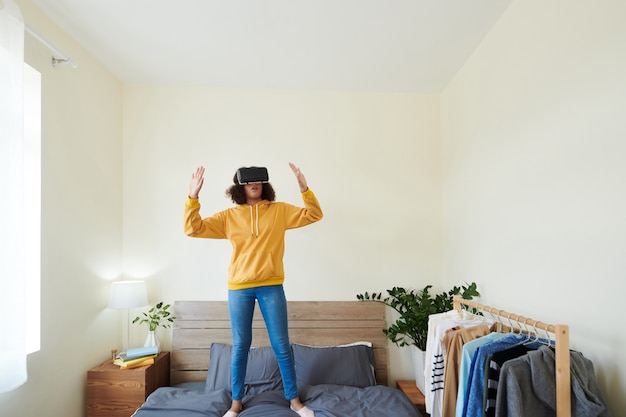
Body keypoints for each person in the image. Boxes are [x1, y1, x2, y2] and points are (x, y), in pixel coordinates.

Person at [184, 163, 323, 417]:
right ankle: (236, 403)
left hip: (271, 286)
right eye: (248, 181)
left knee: (281, 344)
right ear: (240, 185)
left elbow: (313, 215)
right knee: (240, 346)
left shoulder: (279, 211)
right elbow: (193, 228)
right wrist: (193, 197)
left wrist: (304, 188)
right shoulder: (229, 217)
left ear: (264, 183)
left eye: (258, 180)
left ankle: (294, 401)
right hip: (239, 288)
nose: (254, 184)